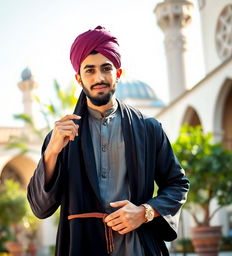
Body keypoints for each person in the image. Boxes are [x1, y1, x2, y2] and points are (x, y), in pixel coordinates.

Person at [27, 26, 189, 256]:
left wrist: (145, 212)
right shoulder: (60, 137)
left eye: (106, 68)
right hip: (81, 246)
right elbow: (40, 207)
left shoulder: (148, 128)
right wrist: (51, 153)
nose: (99, 78)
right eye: (90, 71)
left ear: (118, 74)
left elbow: (177, 184)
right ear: (78, 78)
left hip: (138, 248)